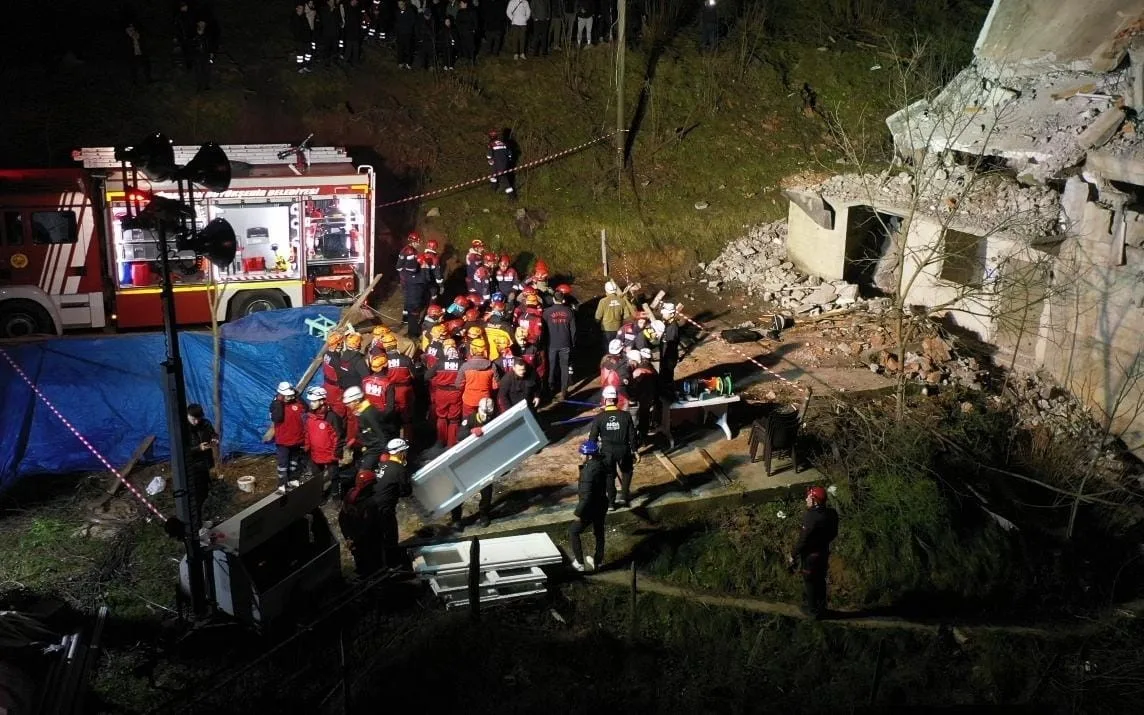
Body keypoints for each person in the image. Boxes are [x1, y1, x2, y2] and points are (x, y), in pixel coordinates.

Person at [788, 486, 839, 619]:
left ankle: (812, 611)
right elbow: (834, 533)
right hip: (824, 552)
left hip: (811, 555)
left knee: (809, 581)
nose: (806, 499)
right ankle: (822, 608)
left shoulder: (811, 517)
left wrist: (793, 554)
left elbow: (803, 539)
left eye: (808, 497)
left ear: (815, 500)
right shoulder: (832, 513)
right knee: (821, 580)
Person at [587, 385, 638, 509]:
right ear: (616, 400)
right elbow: (632, 435)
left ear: (605, 400)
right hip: (623, 450)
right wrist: (635, 451)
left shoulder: (599, 418)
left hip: (607, 451)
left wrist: (590, 454)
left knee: (609, 475)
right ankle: (624, 497)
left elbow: (592, 438)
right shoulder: (626, 416)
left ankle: (610, 503)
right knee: (627, 471)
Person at [450, 397, 496, 529]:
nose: (486, 415)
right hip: (467, 460)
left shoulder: (495, 420)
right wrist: (471, 432)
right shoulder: (469, 419)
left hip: (485, 460)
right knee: (458, 490)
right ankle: (456, 518)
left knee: (486, 490)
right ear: (478, 409)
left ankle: (484, 514)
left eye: (489, 412)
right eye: (484, 412)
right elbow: (459, 435)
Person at [373, 438, 413, 567]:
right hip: (385, 509)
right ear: (401, 453)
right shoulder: (400, 470)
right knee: (390, 536)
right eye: (405, 451)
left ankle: (381, 560)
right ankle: (392, 566)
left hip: (373, 505)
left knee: (378, 536)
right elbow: (406, 491)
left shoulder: (382, 464)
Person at [569, 440, 607, 572]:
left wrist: (578, 513)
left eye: (582, 454)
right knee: (599, 532)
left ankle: (579, 563)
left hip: (590, 508)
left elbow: (586, 497)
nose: (580, 456)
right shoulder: (601, 464)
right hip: (602, 504)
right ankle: (599, 561)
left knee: (574, 531)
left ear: (589, 456)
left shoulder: (588, 472)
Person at [338, 470, 383, 575]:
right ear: (368, 486)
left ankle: (362, 573)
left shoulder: (350, 494)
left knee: (359, 558)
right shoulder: (369, 503)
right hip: (366, 540)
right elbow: (368, 525)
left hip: (353, 536)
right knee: (372, 562)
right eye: (372, 484)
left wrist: (348, 537)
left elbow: (342, 517)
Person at [303, 386, 346, 496]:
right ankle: (319, 496)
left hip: (330, 455)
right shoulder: (310, 417)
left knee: (334, 476)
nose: (311, 403)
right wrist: (307, 448)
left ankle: (336, 496)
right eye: (310, 401)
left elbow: (339, 437)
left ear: (322, 401)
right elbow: (307, 433)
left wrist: (336, 454)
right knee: (317, 478)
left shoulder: (332, 417)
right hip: (315, 454)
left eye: (314, 401)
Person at [344, 385, 397, 471]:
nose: (347, 405)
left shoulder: (369, 414)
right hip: (369, 447)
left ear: (357, 401)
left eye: (349, 402)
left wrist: (385, 452)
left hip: (376, 449)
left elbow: (382, 434)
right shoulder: (360, 412)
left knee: (363, 473)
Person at [270, 381, 307, 493]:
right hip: (283, 441)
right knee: (283, 463)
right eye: (287, 395)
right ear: (281, 395)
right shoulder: (276, 405)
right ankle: (282, 483)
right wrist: (278, 402)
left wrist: (297, 396)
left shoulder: (297, 403)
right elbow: (277, 418)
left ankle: (293, 478)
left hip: (297, 439)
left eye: (291, 395)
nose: (290, 398)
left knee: (294, 461)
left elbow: (306, 408)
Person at [185, 403, 217, 526]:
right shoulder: (183, 429)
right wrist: (198, 448)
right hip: (192, 467)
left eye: (199, 418)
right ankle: (196, 526)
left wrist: (214, 438)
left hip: (204, 464)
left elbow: (213, 434)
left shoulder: (205, 423)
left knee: (203, 494)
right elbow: (182, 450)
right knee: (195, 498)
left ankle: (199, 522)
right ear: (188, 415)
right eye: (193, 419)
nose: (196, 422)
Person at [427, 343, 464, 447]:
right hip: (456, 393)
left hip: (441, 393)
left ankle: (441, 441)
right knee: (454, 419)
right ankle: (452, 443)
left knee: (441, 416)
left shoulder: (439, 363)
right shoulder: (461, 363)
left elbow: (427, 376)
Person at [543, 289, 576, 400]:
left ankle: (551, 389)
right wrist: (573, 343)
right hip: (566, 343)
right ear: (563, 300)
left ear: (553, 299)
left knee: (551, 367)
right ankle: (564, 391)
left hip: (552, 344)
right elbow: (573, 330)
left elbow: (543, 329)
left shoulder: (547, 312)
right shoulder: (569, 311)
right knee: (564, 368)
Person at [455, 338, 498, 418]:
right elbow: (495, 386)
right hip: (485, 401)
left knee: (468, 422)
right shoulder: (492, 366)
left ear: (471, 351)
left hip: (469, 400)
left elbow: (458, 385)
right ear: (485, 350)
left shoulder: (465, 366)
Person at [627, 349, 658, 447]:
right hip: (648, 398)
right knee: (644, 420)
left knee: (636, 421)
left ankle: (637, 441)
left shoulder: (639, 371)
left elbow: (635, 387)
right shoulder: (651, 368)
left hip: (641, 400)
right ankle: (643, 439)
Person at [595, 280, 634, 344]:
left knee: (608, 347)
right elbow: (626, 316)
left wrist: (596, 326)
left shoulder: (603, 301)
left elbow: (598, 317)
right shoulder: (622, 300)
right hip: (618, 328)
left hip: (606, 329)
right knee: (618, 345)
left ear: (606, 290)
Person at [657, 302, 681, 397]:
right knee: (664, 375)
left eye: (665, 313)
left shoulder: (673, 328)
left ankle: (667, 394)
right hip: (665, 356)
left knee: (666, 377)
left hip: (669, 358)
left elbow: (671, 345)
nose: (663, 314)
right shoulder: (667, 324)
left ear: (671, 314)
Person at [486, 129, 515, 198]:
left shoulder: (491, 144)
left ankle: (512, 197)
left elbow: (489, 155)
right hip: (504, 164)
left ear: (490, 137)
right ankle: (492, 191)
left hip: (498, 164)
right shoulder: (504, 143)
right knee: (493, 176)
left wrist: (490, 160)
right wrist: (509, 161)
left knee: (503, 179)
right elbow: (510, 154)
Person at [190, 20, 213, 91]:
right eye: (201, 24)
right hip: (197, 55)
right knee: (198, 71)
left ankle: (206, 85)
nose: (202, 25)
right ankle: (199, 86)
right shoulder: (193, 35)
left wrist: (211, 53)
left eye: (204, 24)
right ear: (198, 24)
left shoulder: (207, 35)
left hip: (205, 55)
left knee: (206, 70)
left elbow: (209, 45)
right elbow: (190, 45)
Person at [292, 3, 315, 72]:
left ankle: (306, 66)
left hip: (307, 39)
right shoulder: (294, 17)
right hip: (300, 40)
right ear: (296, 9)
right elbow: (294, 30)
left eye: (302, 9)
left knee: (308, 53)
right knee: (300, 55)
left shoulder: (304, 17)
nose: (301, 10)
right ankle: (300, 67)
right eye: (300, 8)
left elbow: (309, 27)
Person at [394, 0, 417, 68]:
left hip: (408, 33)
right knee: (400, 49)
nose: (399, 6)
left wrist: (407, 28)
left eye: (401, 4)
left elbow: (413, 21)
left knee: (408, 49)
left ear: (404, 3)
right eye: (398, 4)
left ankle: (408, 63)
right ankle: (400, 62)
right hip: (400, 34)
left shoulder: (410, 11)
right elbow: (396, 22)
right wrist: (397, 28)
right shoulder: (397, 12)